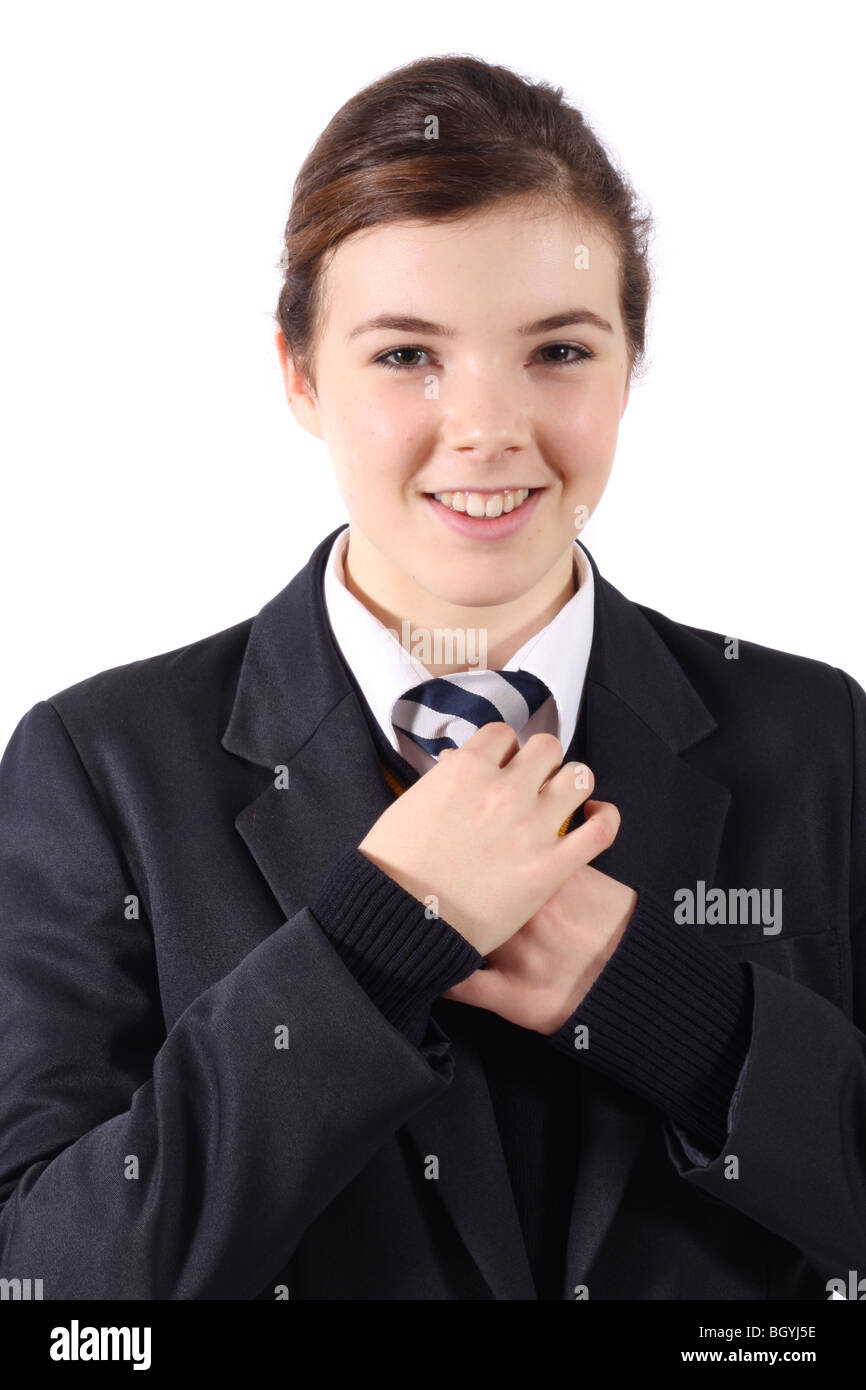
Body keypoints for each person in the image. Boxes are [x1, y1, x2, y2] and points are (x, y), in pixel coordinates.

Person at [0, 53, 864, 1303]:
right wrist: (370, 942)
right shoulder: (99, 764)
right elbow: (49, 1290)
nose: (487, 428)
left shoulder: (813, 734)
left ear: (630, 365)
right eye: (407, 355)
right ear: (299, 373)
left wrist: (660, 1004)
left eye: (557, 350)